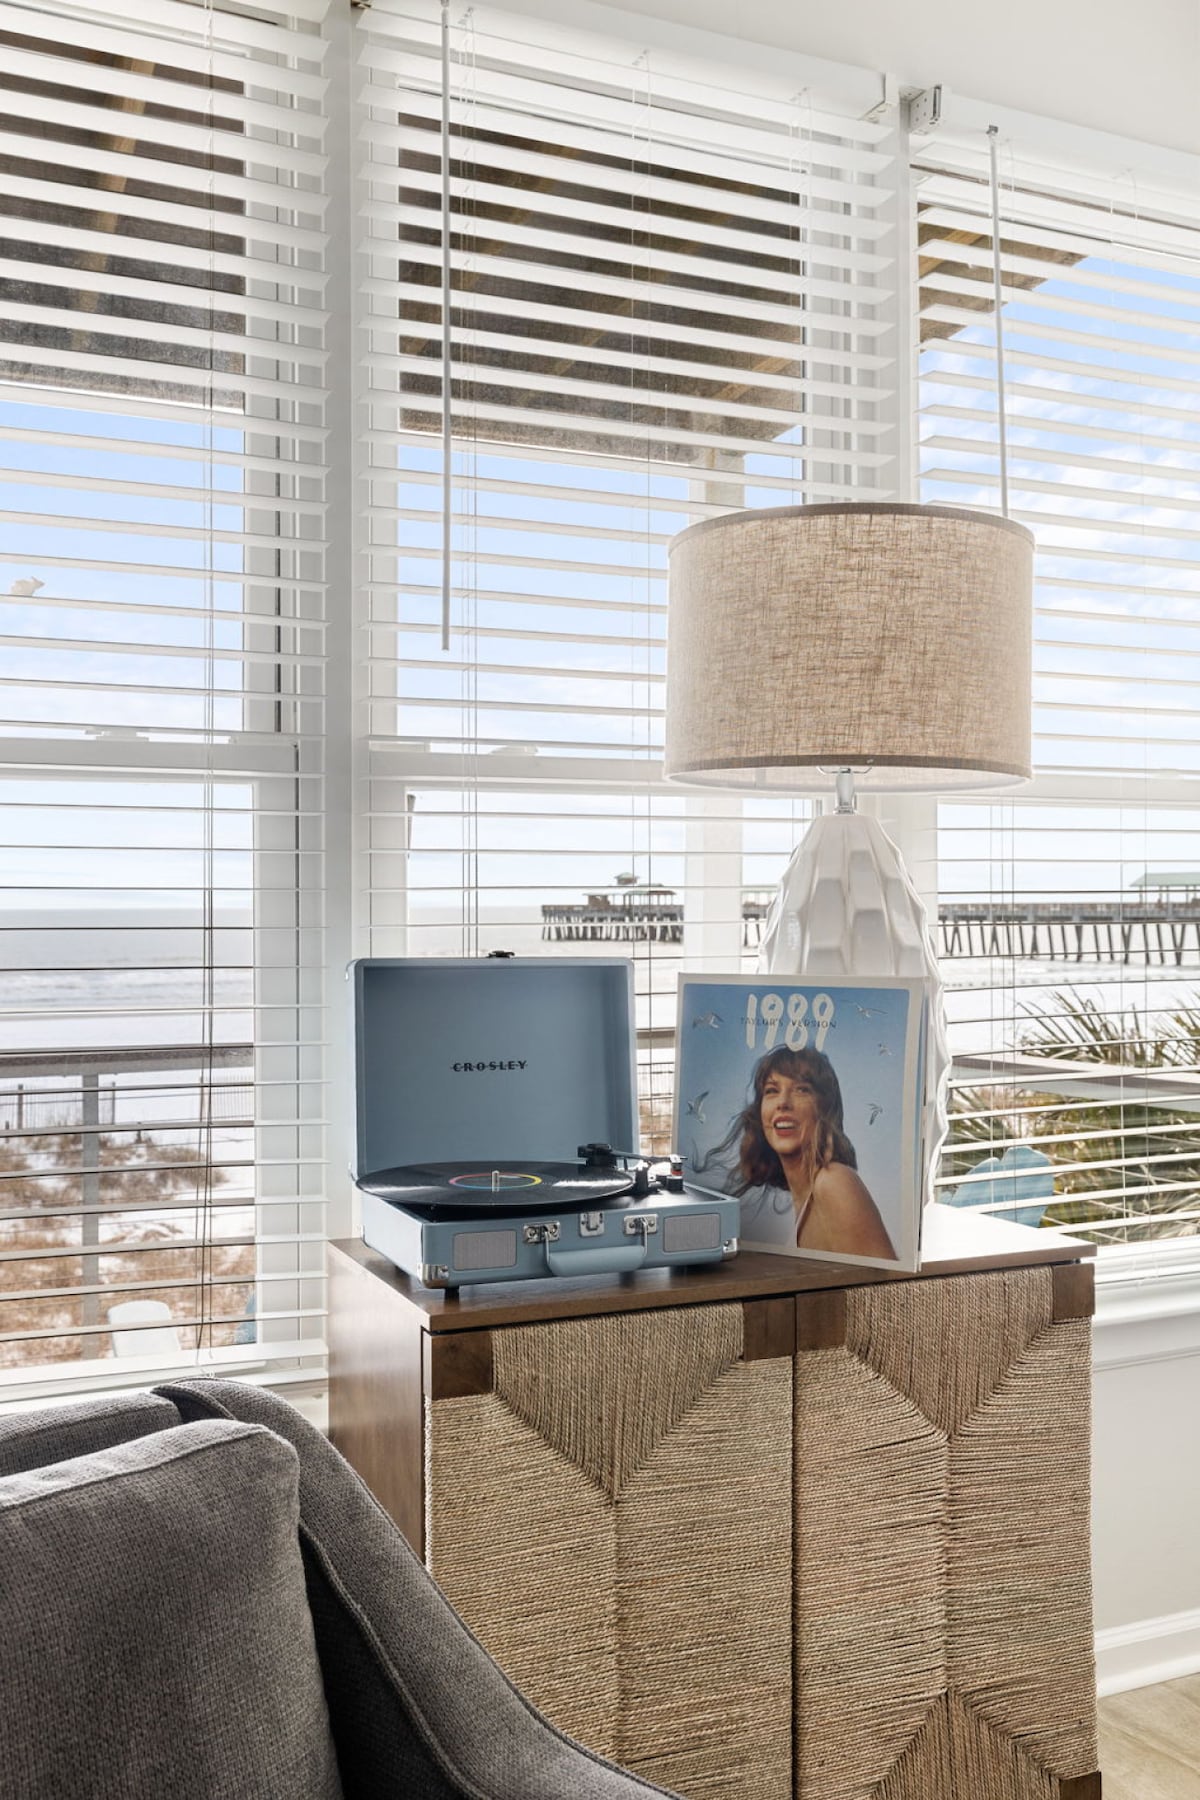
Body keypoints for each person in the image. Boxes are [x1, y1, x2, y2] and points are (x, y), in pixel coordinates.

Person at [711, 1044, 896, 1260]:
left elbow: (880, 1290)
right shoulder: (807, 1194)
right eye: (771, 1091)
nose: (783, 1103)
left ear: (824, 1108)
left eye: (801, 1089)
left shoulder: (834, 1181)